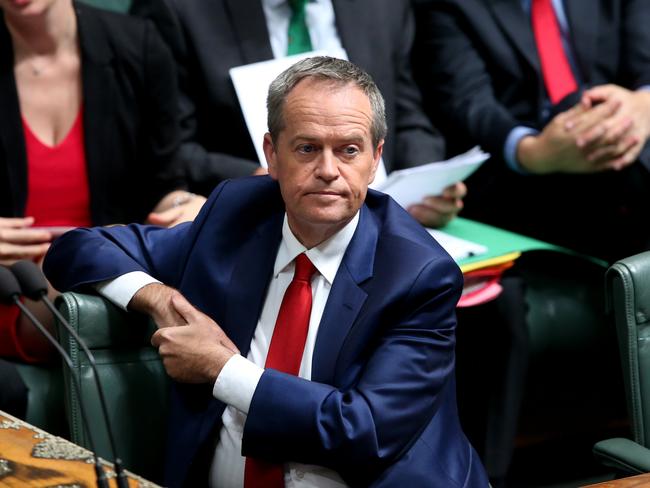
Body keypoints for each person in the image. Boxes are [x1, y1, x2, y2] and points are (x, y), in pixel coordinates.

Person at [44, 56, 488, 488]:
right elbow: (78, 248)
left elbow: (363, 431)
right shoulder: (235, 217)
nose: (329, 170)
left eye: (349, 150)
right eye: (307, 148)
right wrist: (156, 295)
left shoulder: (419, 275)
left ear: (375, 159)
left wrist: (222, 370)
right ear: (272, 155)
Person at [130, 0, 465, 229]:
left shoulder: (383, 7)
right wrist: (267, 175)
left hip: (376, 214)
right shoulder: (176, 10)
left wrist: (428, 184)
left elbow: (405, 113)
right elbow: (168, 150)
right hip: (254, 220)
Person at [0, 0, 205, 362]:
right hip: (16, 288)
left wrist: (186, 207)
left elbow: (164, 185)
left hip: (112, 272)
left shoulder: (137, 44)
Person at [412, 0, 650, 262]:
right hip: (518, 170)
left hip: (623, 133)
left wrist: (641, 105)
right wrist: (530, 151)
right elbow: (468, 101)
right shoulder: (449, 6)